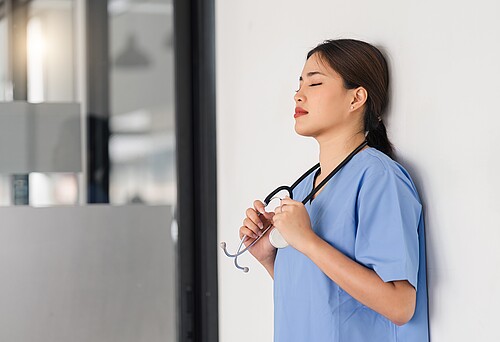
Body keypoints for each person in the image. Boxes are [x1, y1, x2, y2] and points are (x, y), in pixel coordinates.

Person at [239, 39, 429, 341]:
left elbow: (400, 305)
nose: (298, 94)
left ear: (356, 99)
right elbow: (324, 298)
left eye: (314, 83)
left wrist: (308, 241)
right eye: (299, 83)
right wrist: (268, 258)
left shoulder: (379, 179)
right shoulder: (302, 189)